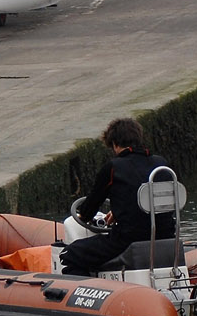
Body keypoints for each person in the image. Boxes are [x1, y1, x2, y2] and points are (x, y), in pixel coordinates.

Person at [59, 118, 176, 276]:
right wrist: (118, 211)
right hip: (166, 238)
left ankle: (91, 294)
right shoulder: (162, 164)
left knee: (71, 254)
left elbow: (89, 210)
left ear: (114, 143)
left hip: (127, 241)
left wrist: (84, 215)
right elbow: (156, 199)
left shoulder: (113, 168)